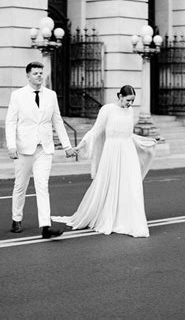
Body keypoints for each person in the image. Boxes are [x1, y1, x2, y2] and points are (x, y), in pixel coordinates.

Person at [52, 85, 156, 238]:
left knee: (132, 186)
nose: (130, 104)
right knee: (111, 185)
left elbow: (128, 134)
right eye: (128, 100)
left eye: (132, 101)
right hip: (112, 152)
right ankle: (110, 217)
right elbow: (96, 131)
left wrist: (146, 142)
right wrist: (79, 147)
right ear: (120, 96)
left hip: (128, 152)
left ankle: (133, 222)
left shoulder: (130, 111)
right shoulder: (107, 110)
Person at [5, 61, 76, 239]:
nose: (39, 76)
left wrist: (67, 146)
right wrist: (11, 146)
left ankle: (45, 226)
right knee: (20, 186)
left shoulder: (51, 95)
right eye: (35, 73)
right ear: (28, 75)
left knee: (42, 186)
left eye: (40, 73)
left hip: (44, 148)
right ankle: (16, 219)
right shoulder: (18, 95)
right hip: (23, 148)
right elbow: (10, 122)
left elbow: (57, 121)